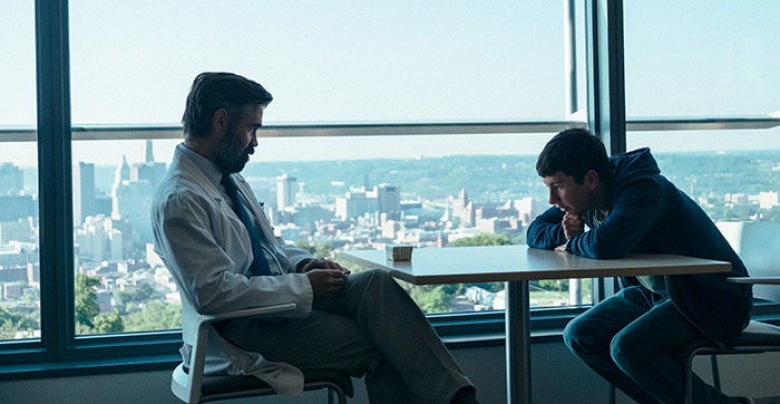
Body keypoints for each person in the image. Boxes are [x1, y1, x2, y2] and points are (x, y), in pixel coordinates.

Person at [152, 72, 479, 404]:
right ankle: (461, 401)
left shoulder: (227, 182)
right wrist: (306, 286)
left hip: (276, 302)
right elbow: (212, 294)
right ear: (220, 121)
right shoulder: (181, 198)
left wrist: (303, 263)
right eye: (252, 128)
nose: (255, 142)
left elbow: (269, 245)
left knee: (374, 285)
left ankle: (460, 399)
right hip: (242, 330)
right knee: (387, 345)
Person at [526, 128, 752, 404]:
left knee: (628, 348)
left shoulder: (642, 189)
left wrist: (573, 240)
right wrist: (564, 233)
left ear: (591, 179)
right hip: (658, 294)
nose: (552, 199)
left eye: (558, 186)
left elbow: (605, 245)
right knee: (580, 335)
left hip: (709, 297)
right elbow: (534, 232)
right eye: (548, 187)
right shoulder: (584, 198)